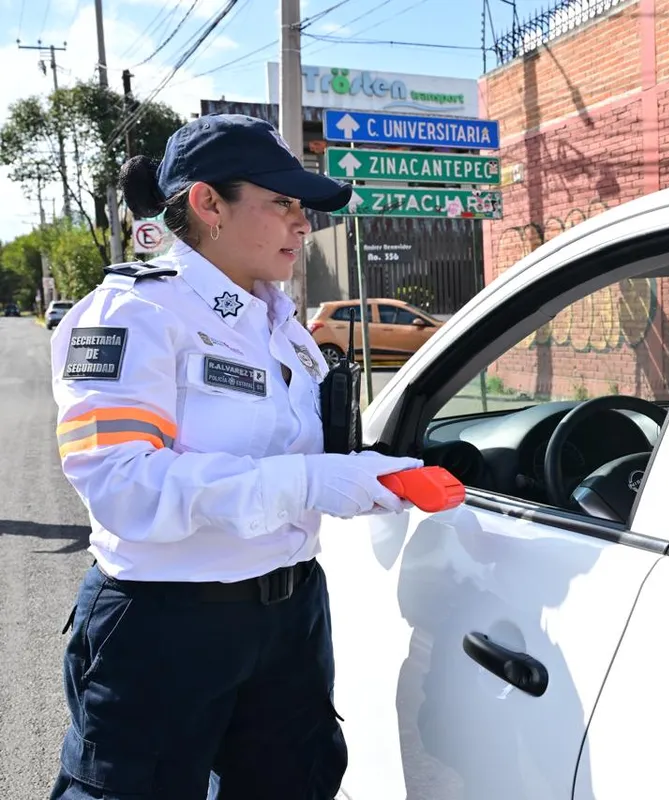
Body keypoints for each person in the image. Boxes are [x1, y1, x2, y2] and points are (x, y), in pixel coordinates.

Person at [48, 114, 421, 799]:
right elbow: (122, 484)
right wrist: (306, 481)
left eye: (301, 207)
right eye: (281, 202)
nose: (302, 224)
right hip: (168, 627)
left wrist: (371, 474)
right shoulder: (133, 315)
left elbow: (305, 455)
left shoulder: (281, 327)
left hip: (290, 617)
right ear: (207, 204)